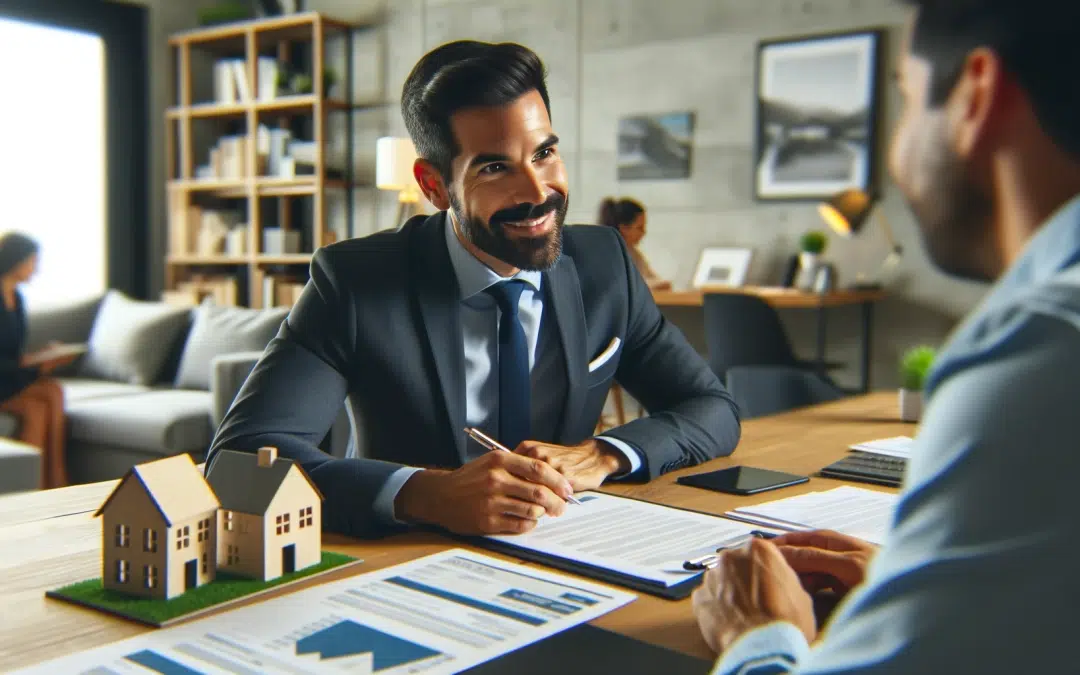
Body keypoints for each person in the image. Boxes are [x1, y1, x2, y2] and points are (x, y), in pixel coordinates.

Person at [207, 40, 741, 539]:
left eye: (544, 154)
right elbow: (239, 460)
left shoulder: (604, 265)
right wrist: (424, 493)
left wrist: (605, 454)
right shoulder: (355, 282)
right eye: (494, 167)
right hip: (411, 559)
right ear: (434, 186)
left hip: (574, 552)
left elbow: (712, 408)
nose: (539, 193)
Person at [693, 1, 1080, 672]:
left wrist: (755, 635)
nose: (900, 151)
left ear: (974, 95)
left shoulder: (1041, 350)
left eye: (905, 100)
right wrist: (923, 584)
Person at [0, 232, 75, 488]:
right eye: (33, 261)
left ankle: (52, 479)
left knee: (52, 393)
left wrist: (42, 356)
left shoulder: (17, 299)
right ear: (17, 261)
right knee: (36, 407)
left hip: (9, 376)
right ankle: (37, 485)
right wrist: (35, 365)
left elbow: (13, 353)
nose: (36, 268)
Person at [597, 197, 671, 290]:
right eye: (640, 228)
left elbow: (652, 279)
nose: (644, 232)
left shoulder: (634, 254)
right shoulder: (606, 253)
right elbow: (624, 286)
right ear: (624, 228)